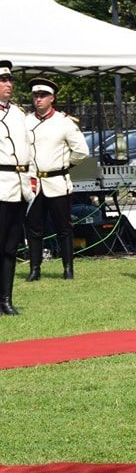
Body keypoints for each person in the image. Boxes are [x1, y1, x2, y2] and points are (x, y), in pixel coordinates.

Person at [24, 78, 90, 281]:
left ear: (52, 98)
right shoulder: (26, 121)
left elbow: (81, 151)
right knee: (34, 229)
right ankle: (35, 269)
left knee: (63, 228)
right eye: (36, 95)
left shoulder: (64, 123)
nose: (38, 99)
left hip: (57, 182)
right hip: (33, 183)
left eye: (43, 95)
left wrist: (64, 165)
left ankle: (68, 268)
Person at [0, 60, 31, 316]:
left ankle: (6, 300)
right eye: (3, 80)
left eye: (10, 80)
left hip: (18, 186)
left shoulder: (19, 114)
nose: (8, 84)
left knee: (11, 247)